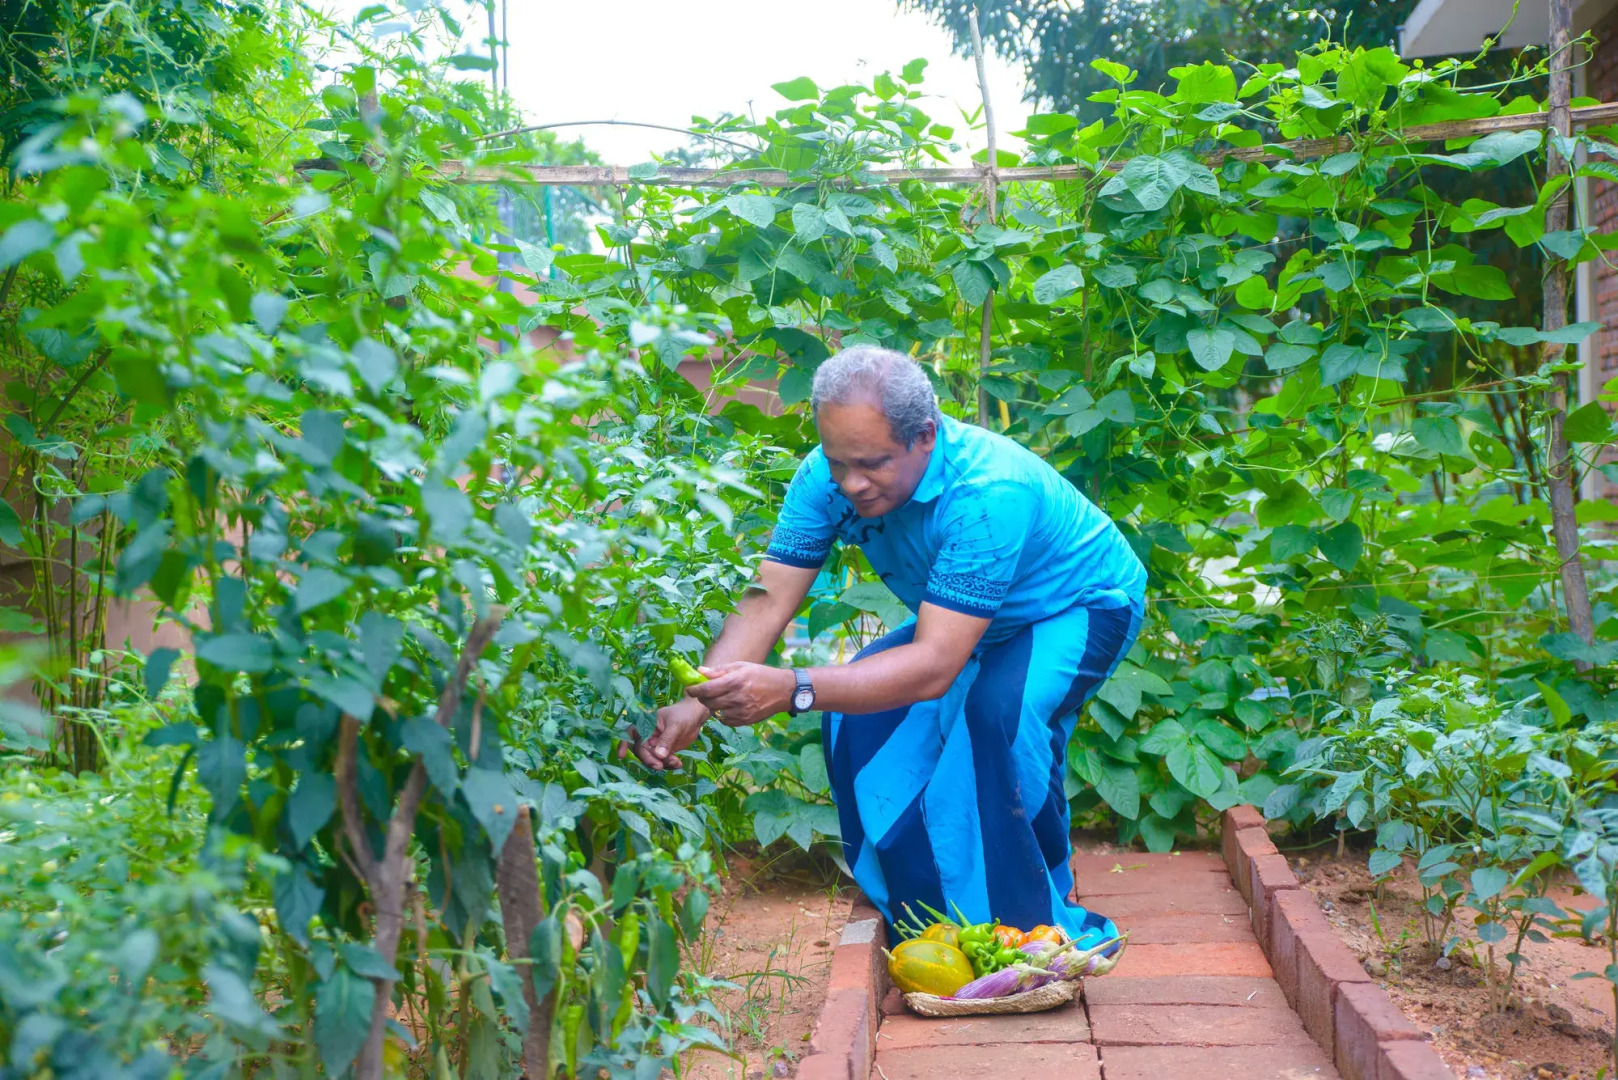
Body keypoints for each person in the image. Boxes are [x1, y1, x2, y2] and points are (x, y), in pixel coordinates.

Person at [620, 345, 1147, 948]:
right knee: (858, 718)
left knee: (1001, 716)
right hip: (973, 620)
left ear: (925, 435)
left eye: (871, 464)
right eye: (837, 462)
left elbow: (933, 666)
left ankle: (1032, 927)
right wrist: (698, 699)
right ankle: (931, 919)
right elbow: (768, 599)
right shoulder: (824, 479)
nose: (851, 483)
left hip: (1078, 605)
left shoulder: (988, 491)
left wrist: (794, 689)